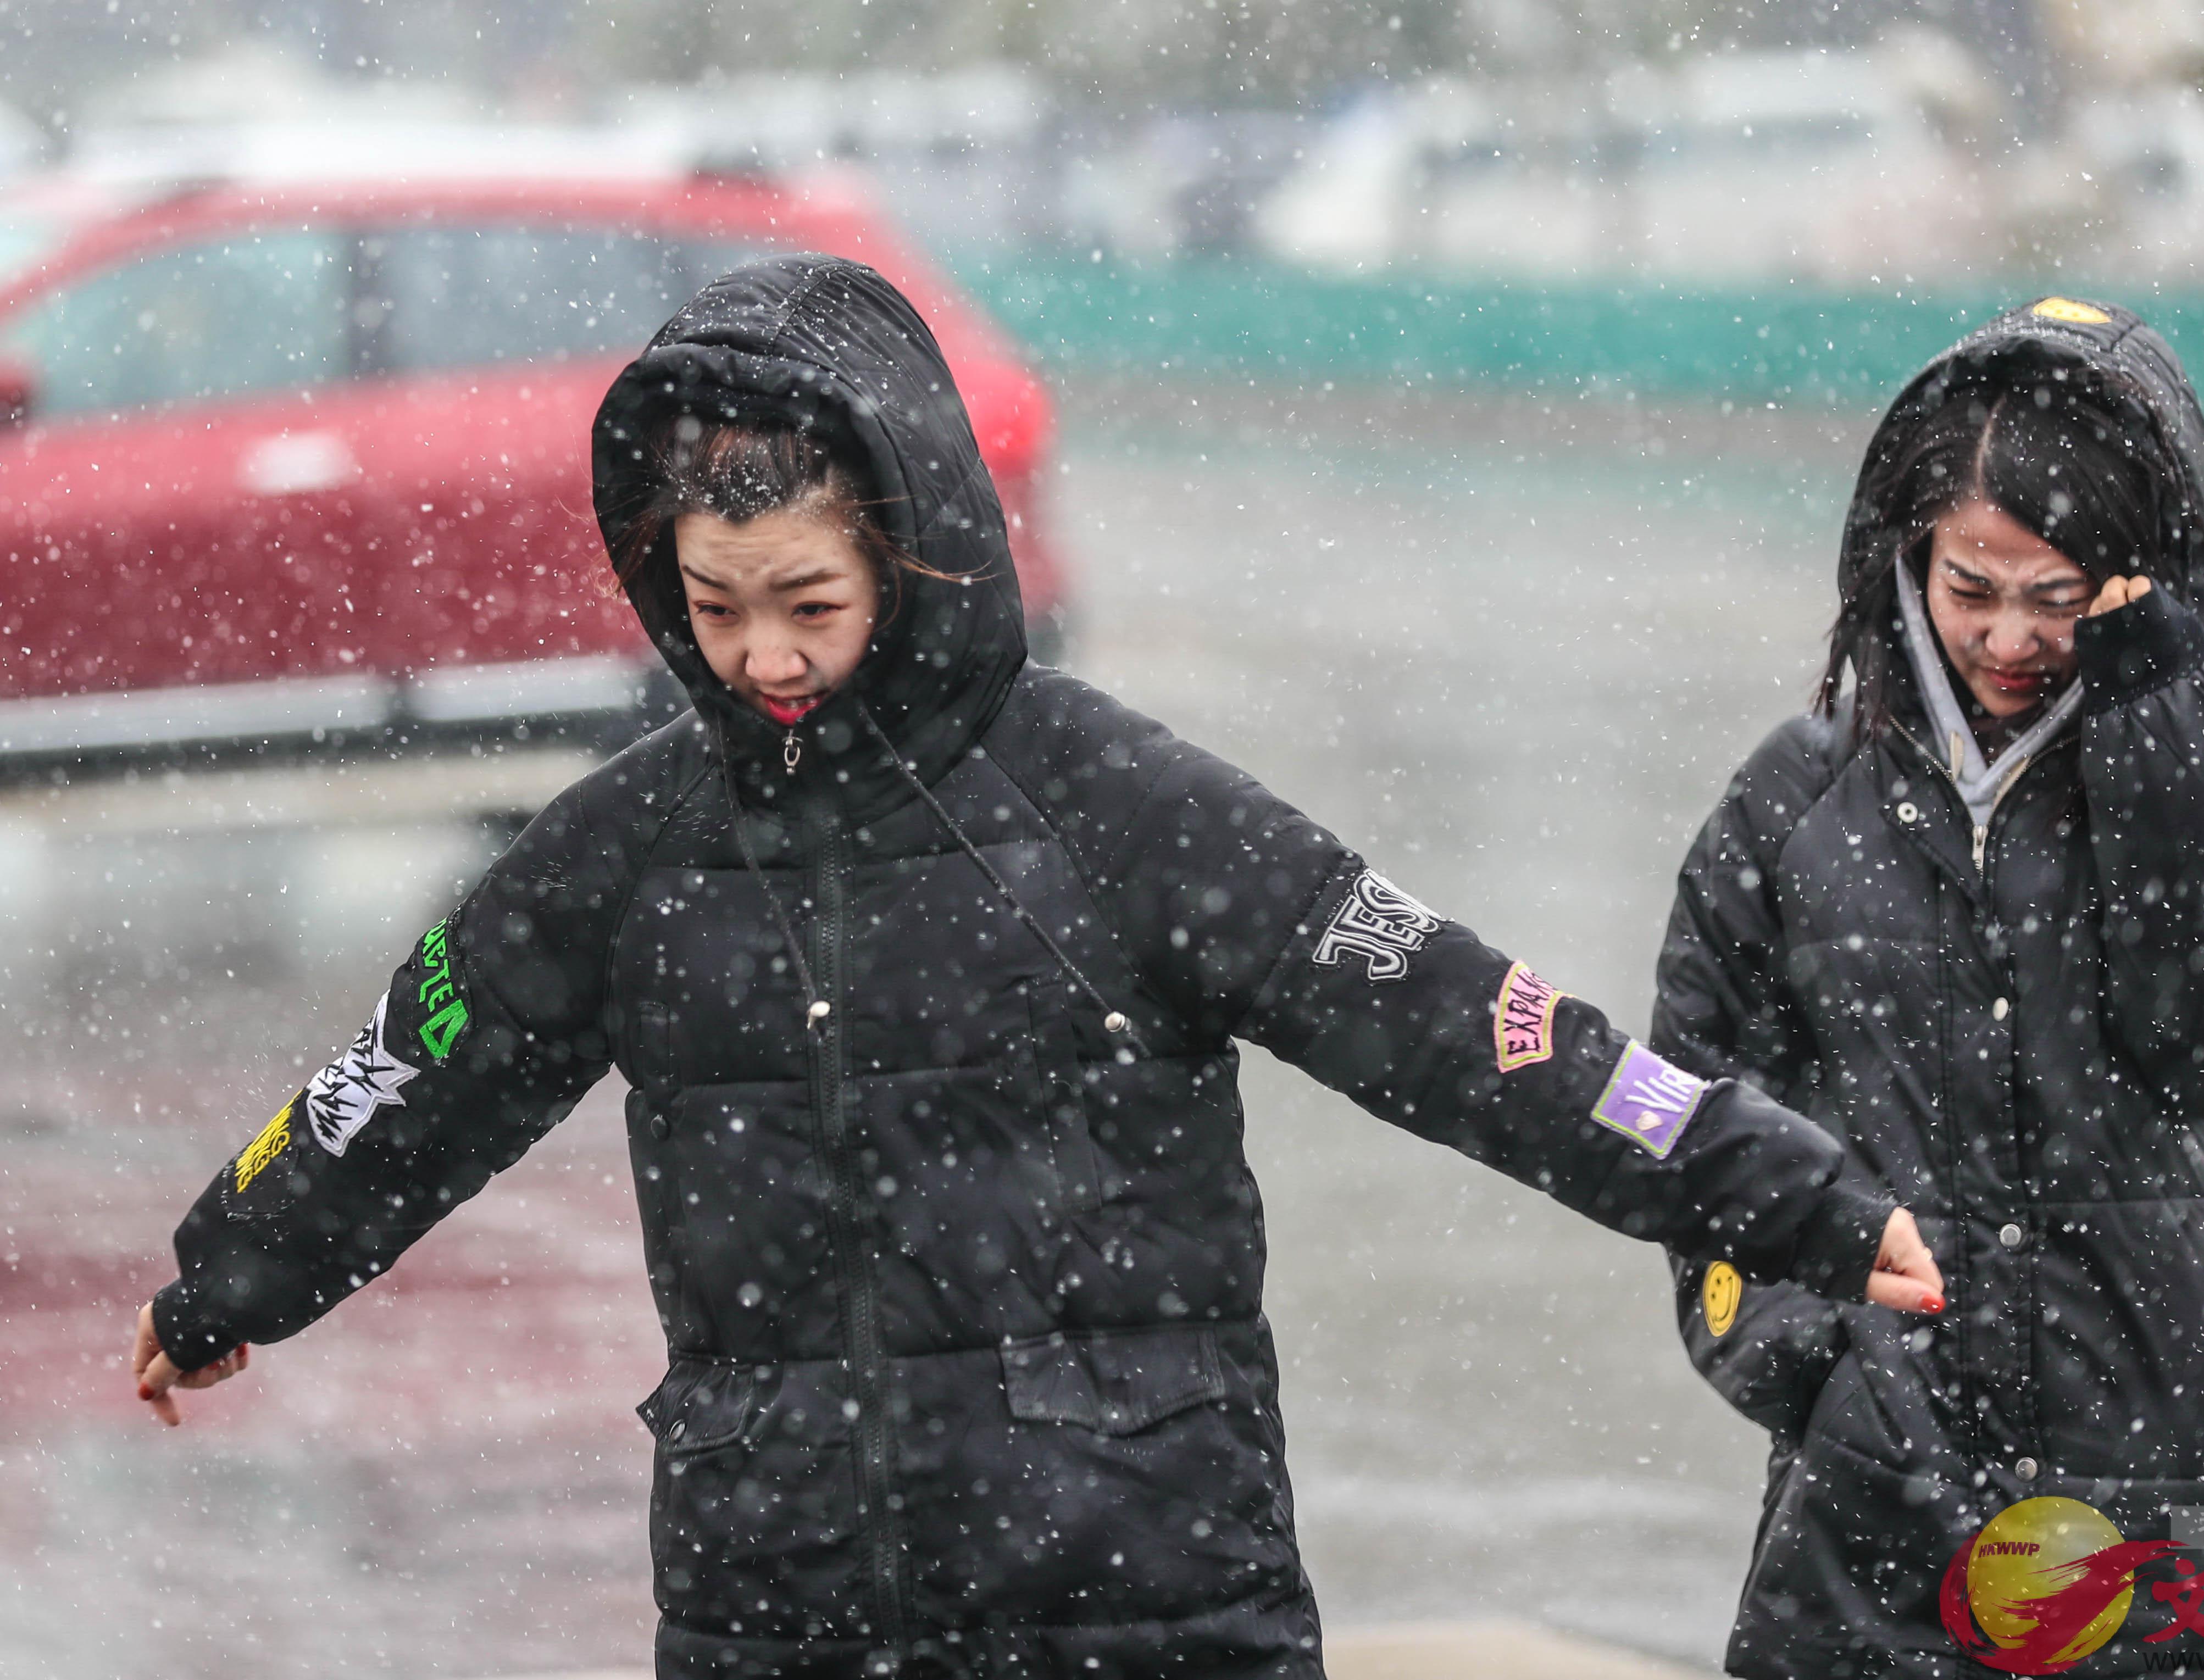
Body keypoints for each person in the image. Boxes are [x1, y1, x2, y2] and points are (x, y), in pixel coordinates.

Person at [127, 255, 1940, 1680]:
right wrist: (232, 1262)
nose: (760, 652)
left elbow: (1461, 1010)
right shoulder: (624, 850)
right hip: (787, 1584)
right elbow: (407, 1070)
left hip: (1136, 1562)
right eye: (712, 603)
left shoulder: (1119, 799)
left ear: (905, 553)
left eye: (808, 603)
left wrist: (1773, 1183)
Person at [1653, 297, 2204, 1677]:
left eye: (2053, 594)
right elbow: (1693, 1122)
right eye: (1968, 585)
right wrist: (1818, 1363)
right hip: (1879, 1499)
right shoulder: (1795, 798)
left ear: (2137, 573)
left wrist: (2163, 710)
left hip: (2188, 1486)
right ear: (1906, 554)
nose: (2005, 637)